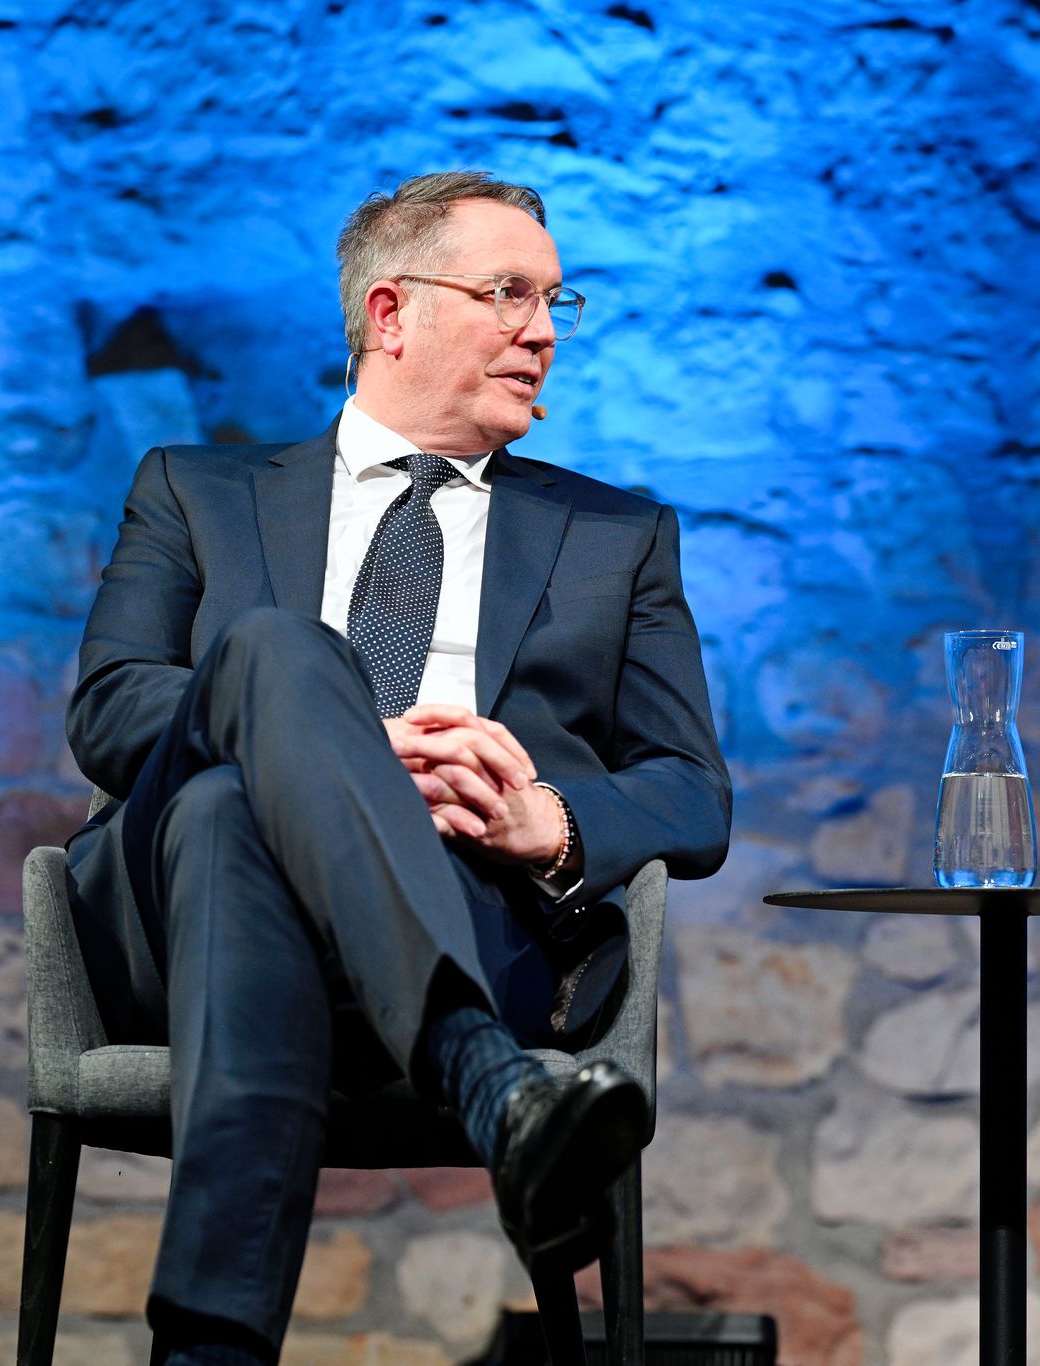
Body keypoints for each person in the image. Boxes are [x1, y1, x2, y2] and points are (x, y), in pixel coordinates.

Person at [62, 171, 731, 1365]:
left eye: (554, 302)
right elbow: (112, 705)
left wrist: (548, 820)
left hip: (475, 911)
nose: (542, 331)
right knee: (271, 657)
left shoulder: (617, 536)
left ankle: (208, 1351)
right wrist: (332, 734)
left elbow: (691, 789)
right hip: (168, 938)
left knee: (227, 817)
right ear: (391, 312)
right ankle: (485, 1079)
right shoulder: (195, 489)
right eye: (509, 294)